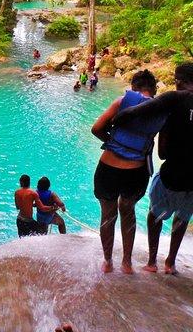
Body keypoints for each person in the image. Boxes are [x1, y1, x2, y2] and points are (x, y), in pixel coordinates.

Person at [114, 63, 193, 275]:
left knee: (155, 215)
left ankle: (152, 262)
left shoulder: (174, 98)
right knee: (182, 217)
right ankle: (170, 262)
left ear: (179, 81)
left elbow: (161, 153)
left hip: (171, 175)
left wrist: (118, 120)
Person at [91, 69, 165, 274]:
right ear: (154, 89)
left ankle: (107, 262)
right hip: (136, 171)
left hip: (108, 168)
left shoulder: (122, 101)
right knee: (128, 212)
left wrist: (113, 143)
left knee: (107, 215)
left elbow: (96, 128)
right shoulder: (161, 111)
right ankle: (127, 263)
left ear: (133, 87)